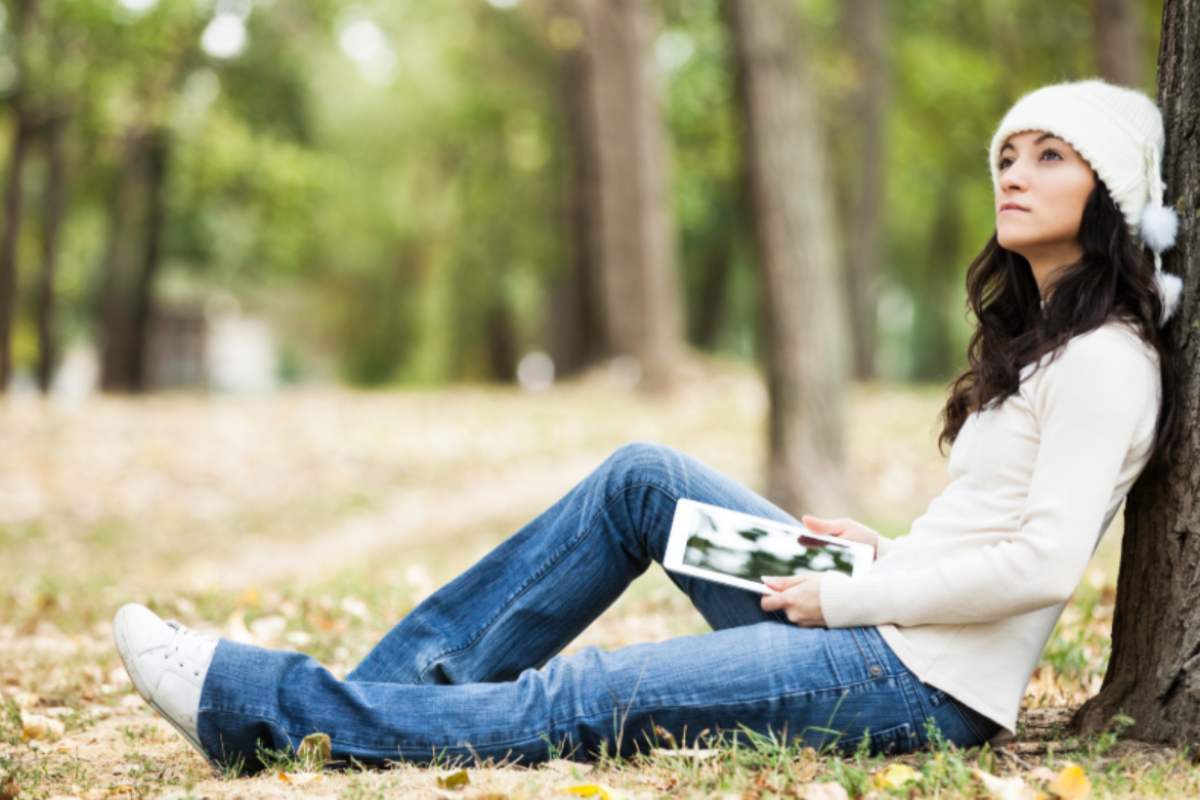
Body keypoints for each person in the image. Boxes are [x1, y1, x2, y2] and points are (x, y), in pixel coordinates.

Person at [113, 78, 1182, 774]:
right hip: (885, 610)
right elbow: (992, 528)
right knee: (642, 481)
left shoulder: (1104, 359)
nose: (1014, 172)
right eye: (1009, 153)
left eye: (1052, 156)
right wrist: (882, 554)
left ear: (1111, 194)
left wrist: (855, 594)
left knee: (582, 697)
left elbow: (1042, 564)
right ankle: (374, 704)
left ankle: (265, 709)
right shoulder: (1046, 341)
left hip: (915, 682)